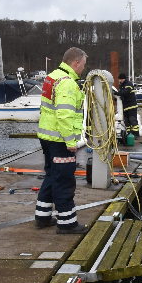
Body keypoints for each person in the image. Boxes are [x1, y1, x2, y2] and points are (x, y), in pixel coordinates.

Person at [34, 47, 88, 234]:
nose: (83, 68)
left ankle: (42, 216)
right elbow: (64, 115)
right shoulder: (67, 83)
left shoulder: (53, 76)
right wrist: (70, 141)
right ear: (76, 63)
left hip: (47, 137)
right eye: (83, 64)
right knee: (64, 179)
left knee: (51, 175)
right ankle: (67, 223)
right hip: (60, 140)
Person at [116, 73, 139, 138]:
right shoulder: (122, 85)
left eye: (120, 79)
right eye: (119, 79)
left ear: (123, 79)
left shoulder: (128, 84)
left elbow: (125, 92)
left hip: (131, 106)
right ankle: (129, 134)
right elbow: (122, 95)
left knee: (132, 120)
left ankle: (136, 134)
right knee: (127, 121)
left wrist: (117, 93)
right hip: (125, 106)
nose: (120, 81)